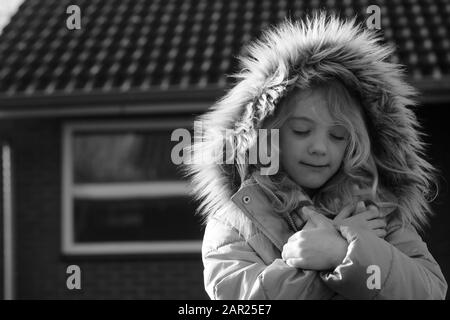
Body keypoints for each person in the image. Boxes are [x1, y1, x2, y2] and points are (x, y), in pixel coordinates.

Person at [182, 13, 447, 299]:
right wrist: (332, 254)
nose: (320, 148)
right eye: (301, 131)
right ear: (266, 134)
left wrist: (343, 250)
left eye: (337, 136)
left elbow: (429, 291)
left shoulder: (375, 209)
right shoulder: (236, 219)